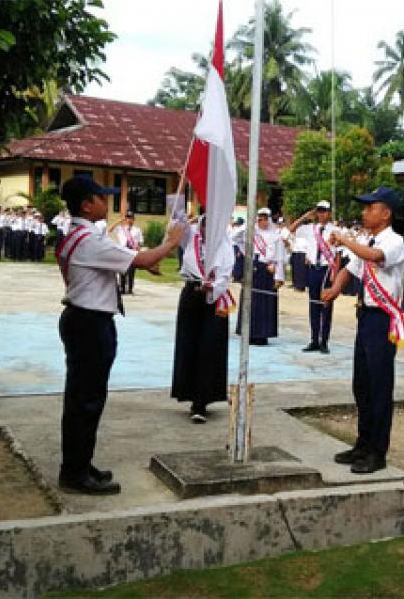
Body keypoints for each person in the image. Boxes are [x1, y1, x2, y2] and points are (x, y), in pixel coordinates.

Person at [55, 176, 187, 495]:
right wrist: (172, 241)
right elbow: (142, 259)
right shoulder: (90, 239)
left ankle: (79, 464)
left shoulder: (75, 235)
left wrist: (144, 263)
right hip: (90, 323)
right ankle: (75, 473)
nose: (108, 202)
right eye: (102, 197)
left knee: (81, 398)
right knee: (87, 401)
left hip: (80, 317)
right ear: (87, 204)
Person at [321, 186, 404, 474]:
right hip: (365, 317)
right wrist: (335, 288)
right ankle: (363, 443)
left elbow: (372, 255)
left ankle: (377, 452)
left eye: (371, 207)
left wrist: (344, 239)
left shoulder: (394, 241)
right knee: (362, 385)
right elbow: (353, 268)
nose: (365, 212)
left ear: (385, 213)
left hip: (383, 320)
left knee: (380, 386)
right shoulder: (367, 240)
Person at [171, 184, 235, 423]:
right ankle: (189, 393)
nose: (209, 229)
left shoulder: (224, 246)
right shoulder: (191, 237)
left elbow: (226, 274)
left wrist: (214, 286)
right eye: (206, 223)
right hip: (191, 294)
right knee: (189, 344)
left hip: (214, 300)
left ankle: (203, 400)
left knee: (210, 348)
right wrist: (184, 185)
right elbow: (175, 220)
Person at [288, 200, 340, 353]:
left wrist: (334, 273)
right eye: (319, 211)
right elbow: (290, 230)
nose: (321, 214)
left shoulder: (334, 230)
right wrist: (304, 217)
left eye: (324, 211)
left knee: (326, 305)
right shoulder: (310, 228)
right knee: (313, 306)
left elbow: (338, 254)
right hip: (312, 269)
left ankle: (324, 341)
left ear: (329, 213)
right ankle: (314, 339)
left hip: (326, 269)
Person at [236, 207, 285, 346]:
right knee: (249, 301)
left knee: (265, 303)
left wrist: (278, 276)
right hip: (252, 266)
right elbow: (235, 237)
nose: (262, 221)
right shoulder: (252, 232)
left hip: (267, 269)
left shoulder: (275, 235)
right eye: (260, 218)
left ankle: (262, 334)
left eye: (264, 218)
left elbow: (280, 257)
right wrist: (249, 224)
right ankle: (249, 332)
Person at [109, 211, 144, 295]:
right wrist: (119, 221)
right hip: (123, 251)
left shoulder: (137, 230)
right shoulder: (121, 228)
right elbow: (110, 229)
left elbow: (140, 241)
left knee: (132, 272)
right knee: (122, 271)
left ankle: (130, 289)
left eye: (131, 218)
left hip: (132, 252)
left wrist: (138, 250)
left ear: (133, 219)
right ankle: (122, 288)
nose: (129, 220)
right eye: (127, 218)